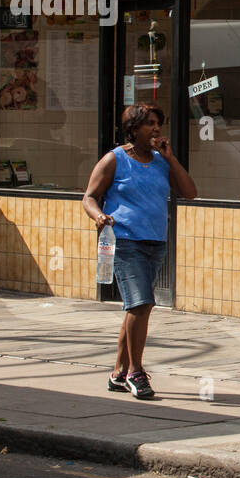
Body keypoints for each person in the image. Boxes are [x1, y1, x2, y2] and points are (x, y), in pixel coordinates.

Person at [82, 104, 197, 399]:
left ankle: (119, 373)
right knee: (141, 304)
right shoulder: (114, 160)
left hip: (155, 242)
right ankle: (136, 372)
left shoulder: (161, 161)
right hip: (124, 240)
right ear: (133, 129)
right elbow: (90, 197)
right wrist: (98, 216)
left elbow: (189, 191)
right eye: (149, 123)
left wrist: (171, 159)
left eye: (158, 123)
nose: (156, 128)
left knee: (137, 307)